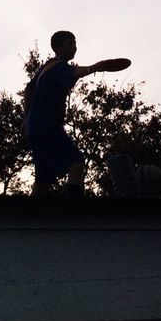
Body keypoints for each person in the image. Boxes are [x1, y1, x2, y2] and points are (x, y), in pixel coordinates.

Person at [23, 30, 131, 196]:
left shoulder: (44, 69)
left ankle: (27, 218)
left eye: (75, 44)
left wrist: (26, 119)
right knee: (77, 162)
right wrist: (96, 67)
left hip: (33, 127)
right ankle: (72, 207)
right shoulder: (58, 66)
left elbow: (28, 90)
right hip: (48, 124)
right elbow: (74, 72)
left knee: (42, 178)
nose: (74, 47)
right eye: (70, 43)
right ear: (57, 47)